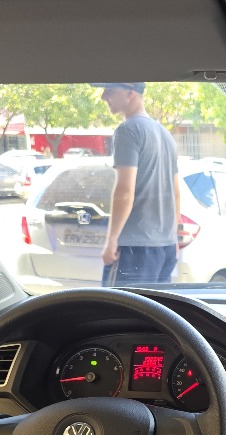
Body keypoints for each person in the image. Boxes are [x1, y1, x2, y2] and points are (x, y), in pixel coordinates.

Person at [92, 83, 181, 286]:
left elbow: (124, 191)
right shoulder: (165, 135)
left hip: (135, 250)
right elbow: (176, 193)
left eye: (110, 91)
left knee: (119, 306)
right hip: (165, 247)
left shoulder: (128, 130)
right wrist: (174, 235)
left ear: (130, 93)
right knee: (154, 306)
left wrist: (112, 238)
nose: (103, 96)